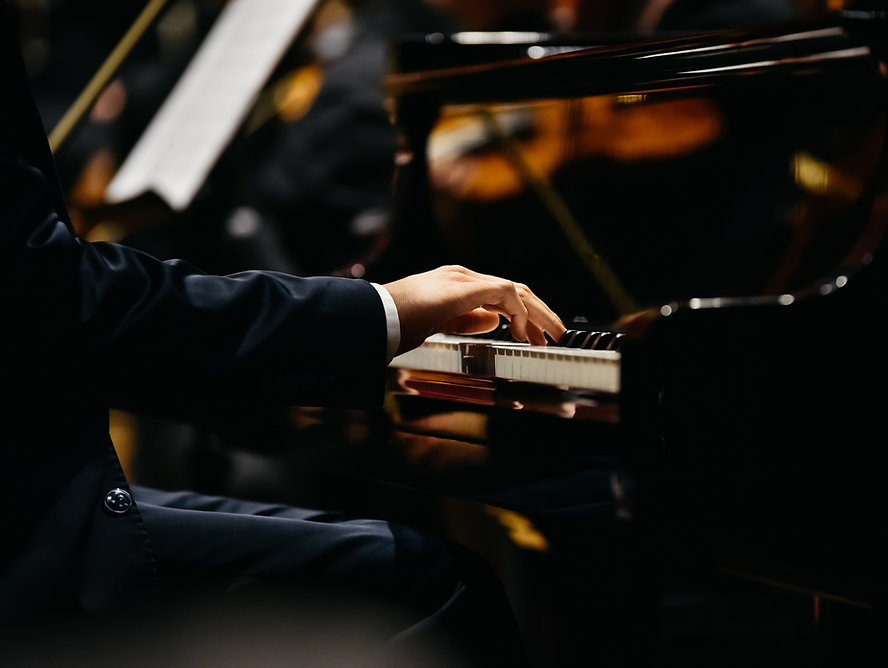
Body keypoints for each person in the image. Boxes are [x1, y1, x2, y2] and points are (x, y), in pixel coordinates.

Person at [1, 5, 565, 665]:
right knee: (433, 586)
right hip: (26, 530)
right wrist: (378, 312)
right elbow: (59, 302)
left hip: (33, 483)